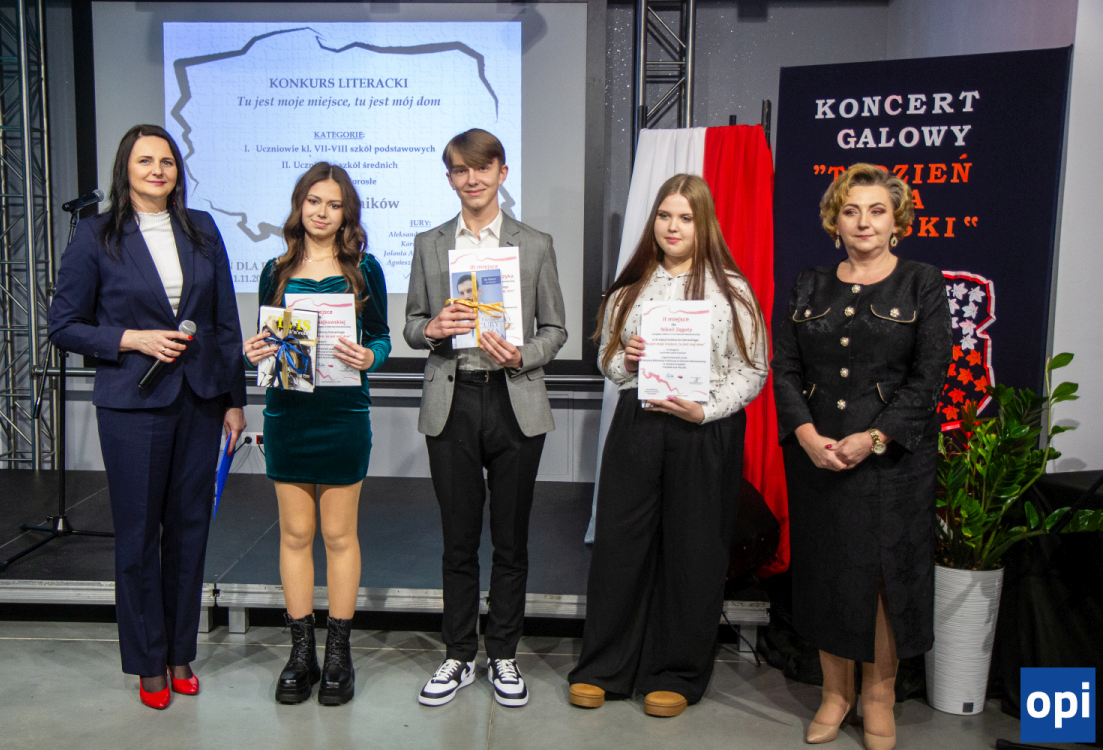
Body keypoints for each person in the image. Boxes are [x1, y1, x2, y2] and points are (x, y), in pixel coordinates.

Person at [48, 124, 247, 709]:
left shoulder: (202, 228)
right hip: (132, 405)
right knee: (138, 538)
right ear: (126, 169)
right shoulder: (96, 235)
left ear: (177, 171)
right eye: (145, 161)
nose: (157, 170)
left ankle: (180, 652)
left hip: (200, 400)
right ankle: (147, 663)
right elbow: (64, 326)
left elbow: (224, 323)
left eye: (167, 161)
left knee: (190, 533)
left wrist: (235, 399)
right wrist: (131, 338)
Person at [567, 174, 767, 717]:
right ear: (653, 221)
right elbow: (607, 363)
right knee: (619, 546)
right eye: (664, 216)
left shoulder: (732, 290)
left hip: (704, 432)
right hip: (639, 424)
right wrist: (627, 360)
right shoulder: (630, 288)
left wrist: (707, 409)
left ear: (704, 225)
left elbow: (753, 370)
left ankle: (676, 673)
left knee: (694, 551)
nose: (673, 227)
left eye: (685, 217)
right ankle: (604, 668)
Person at [771, 164, 951, 750]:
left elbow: (929, 377)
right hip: (819, 457)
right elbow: (785, 368)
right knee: (826, 574)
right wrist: (805, 434)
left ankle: (878, 698)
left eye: (876, 210)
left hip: (891, 464)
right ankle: (834, 694)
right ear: (835, 220)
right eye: (851, 210)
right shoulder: (808, 284)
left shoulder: (922, 282)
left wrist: (873, 438)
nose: (864, 221)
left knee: (881, 582)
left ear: (897, 220)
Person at [404, 128, 566, 707]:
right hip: (452, 398)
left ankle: (503, 654)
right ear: (450, 177)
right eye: (459, 169)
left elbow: (556, 329)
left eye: (481, 168)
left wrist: (524, 354)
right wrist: (431, 329)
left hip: (512, 398)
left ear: (501, 172)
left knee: (511, 540)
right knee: (458, 539)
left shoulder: (535, 243)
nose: (471, 179)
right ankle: (457, 654)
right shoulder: (429, 243)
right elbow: (411, 324)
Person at [243, 162, 391, 706]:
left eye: (333, 204)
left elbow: (382, 338)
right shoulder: (275, 269)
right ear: (299, 205)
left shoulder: (365, 268)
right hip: (288, 415)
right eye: (313, 201)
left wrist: (370, 356)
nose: (322, 212)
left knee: (339, 536)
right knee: (294, 536)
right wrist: (255, 350)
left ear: (346, 212)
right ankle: (300, 653)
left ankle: (338, 656)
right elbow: (265, 339)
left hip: (343, 415)